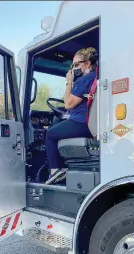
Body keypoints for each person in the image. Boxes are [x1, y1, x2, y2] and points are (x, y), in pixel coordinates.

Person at [45, 47, 98, 185]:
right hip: (85, 122)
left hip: (81, 123)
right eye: (72, 66)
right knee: (57, 127)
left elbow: (68, 104)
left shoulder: (85, 79)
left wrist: (68, 81)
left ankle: (56, 170)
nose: (74, 69)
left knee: (50, 134)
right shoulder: (94, 77)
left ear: (87, 64)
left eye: (76, 65)